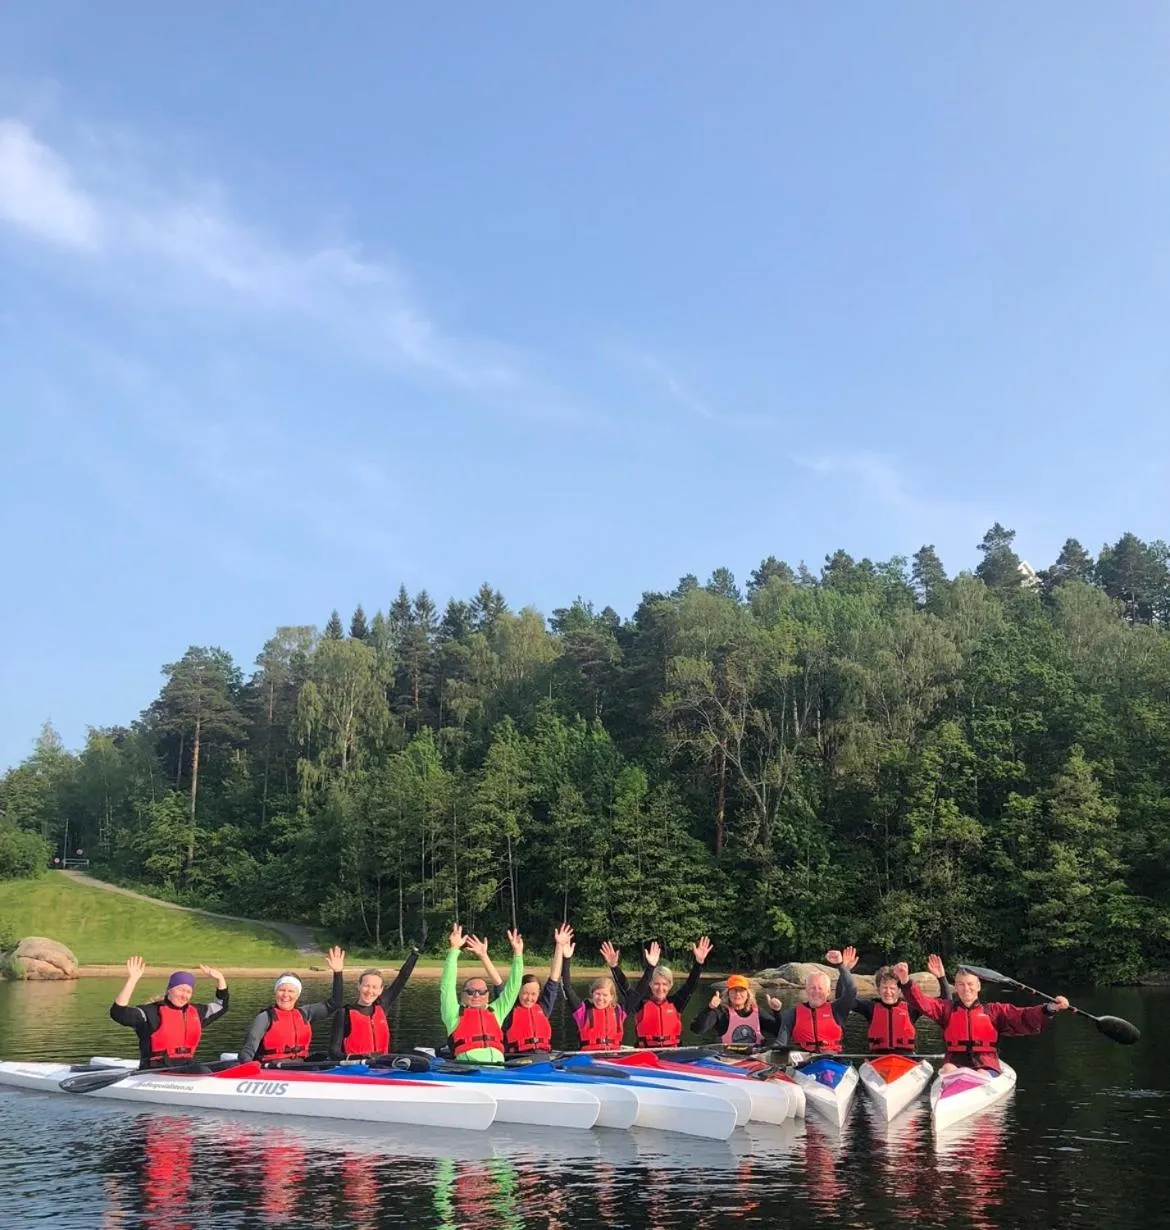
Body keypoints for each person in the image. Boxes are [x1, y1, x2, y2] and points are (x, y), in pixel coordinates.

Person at [896, 962, 1070, 1073]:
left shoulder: (994, 1011)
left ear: (978, 986)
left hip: (986, 1063)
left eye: (970, 984)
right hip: (955, 1061)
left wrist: (1051, 1007)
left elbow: (1024, 1016)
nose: (966, 988)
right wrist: (905, 982)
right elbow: (921, 1002)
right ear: (955, 987)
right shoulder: (946, 1009)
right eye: (961, 985)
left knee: (981, 1073)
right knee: (948, 1069)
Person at [109, 955, 229, 1069]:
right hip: (156, 1069)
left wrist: (220, 979)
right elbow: (119, 1013)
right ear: (169, 990)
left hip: (186, 1065)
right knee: (201, 1070)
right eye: (180, 990)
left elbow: (220, 1006)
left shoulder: (196, 1012)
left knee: (228, 1065)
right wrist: (132, 979)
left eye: (188, 991)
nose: (184, 995)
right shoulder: (151, 1013)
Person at [238, 947, 345, 1062]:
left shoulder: (305, 1013)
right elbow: (247, 1053)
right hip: (272, 1067)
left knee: (323, 1058)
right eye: (281, 990)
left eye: (291, 991)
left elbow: (335, 1003)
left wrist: (338, 973)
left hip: (300, 1066)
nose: (285, 995)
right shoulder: (265, 1018)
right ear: (275, 992)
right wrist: (249, 1066)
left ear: (297, 995)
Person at [603, 936, 713, 1048]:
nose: (660, 988)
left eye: (664, 984)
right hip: (646, 1052)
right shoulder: (640, 1004)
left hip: (672, 1053)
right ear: (650, 984)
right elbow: (625, 987)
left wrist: (699, 963)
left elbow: (690, 985)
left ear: (670, 985)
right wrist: (614, 967)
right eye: (656, 984)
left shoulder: (676, 1003)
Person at [441, 924, 524, 1063]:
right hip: (469, 1069)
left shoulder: (497, 1011)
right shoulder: (453, 1013)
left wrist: (518, 954)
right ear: (462, 996)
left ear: (488, 996)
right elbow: (447, 986)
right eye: (470, 992)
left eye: (482, 992)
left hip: (498, 1070)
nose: (476, 996)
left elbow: (514, 987)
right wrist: (454, 950)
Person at [847, 952, 951, 1054]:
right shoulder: (870, 1007)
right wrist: (845, 971)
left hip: (907, 1058)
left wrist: (941, 977)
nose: (888, 992)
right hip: (877, 1058)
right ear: (878, 989)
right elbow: (844, 1000)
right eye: (884, 988)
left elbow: (944, 1006)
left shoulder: (912, 1007)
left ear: (900, 990)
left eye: (892, 988)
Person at [329, 947, 420, 1060]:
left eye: (375, 987)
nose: (370, 991)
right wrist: (361, 1058)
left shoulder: (382, 1005)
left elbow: (402, 978)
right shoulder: (344, 1013)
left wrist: (415, 954)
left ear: (380, 990)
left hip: (382, 1066)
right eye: (366, 986)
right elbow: (334, 1052)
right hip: (356, 1068)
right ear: (359, 986)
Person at [499, 924, 573, 1055]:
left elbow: (554, 977)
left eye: (533, 994)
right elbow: (500, 982)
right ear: (517, 992)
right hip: (516, 1060)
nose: (529, 998)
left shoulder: (544, 1008)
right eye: (525, 993)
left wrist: (559, 946)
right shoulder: (508, 1009)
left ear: (539, 994)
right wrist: (517, 953)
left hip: (543, 1058)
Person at [774, 948, 858, 1054]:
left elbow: (851, 990)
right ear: (806, 989)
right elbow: (780, 1042)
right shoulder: (792, 1013)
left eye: (820, 988)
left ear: (828, 991)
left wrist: (840, 965)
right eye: (812, 987)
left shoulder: (837, 1009)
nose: (816, 992)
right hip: (803, 1061)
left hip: (832, 1059)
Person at [561, 950, 627, 1052]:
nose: (600, 998)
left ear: (612, 997)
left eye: (605, 995)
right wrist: (566, 959)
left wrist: (615, 967)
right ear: (592, 994)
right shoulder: (582, 1011)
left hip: (614, 1056)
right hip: (589, 1057)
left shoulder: (620, 1011)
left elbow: (636, 994)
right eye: (598, 994)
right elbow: (567, 987)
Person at [691, 974, 784, 1046]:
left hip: (754, 1058)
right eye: (734, 990)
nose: (738, 994)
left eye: (741, 990)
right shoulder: (721, 1012)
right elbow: (697, 1029)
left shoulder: (757, 1012)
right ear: (728, 993)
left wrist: (776, 1012)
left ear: (748, 994)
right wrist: (710, 1008)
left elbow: (779, 1032)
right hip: (727, 1058)